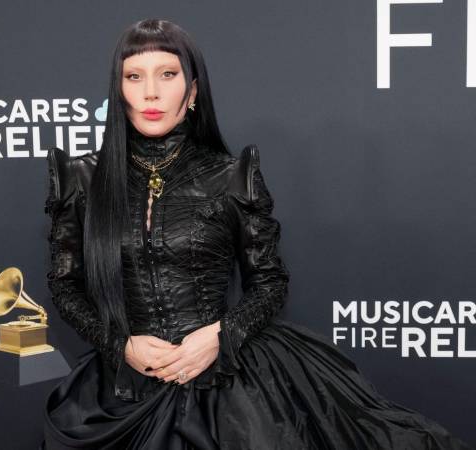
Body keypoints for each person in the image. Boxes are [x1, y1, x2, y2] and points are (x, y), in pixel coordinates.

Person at [41, 18, 473, 450]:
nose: (150, 92)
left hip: (227, 385)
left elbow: (269, 282)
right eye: (134, 77)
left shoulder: (232, 176)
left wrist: (219, 336)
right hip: (121, 392)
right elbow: (65, 284)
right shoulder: (80, 179)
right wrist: (120, 345)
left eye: (167, 74)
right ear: (119, 91)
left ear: (192, 92)